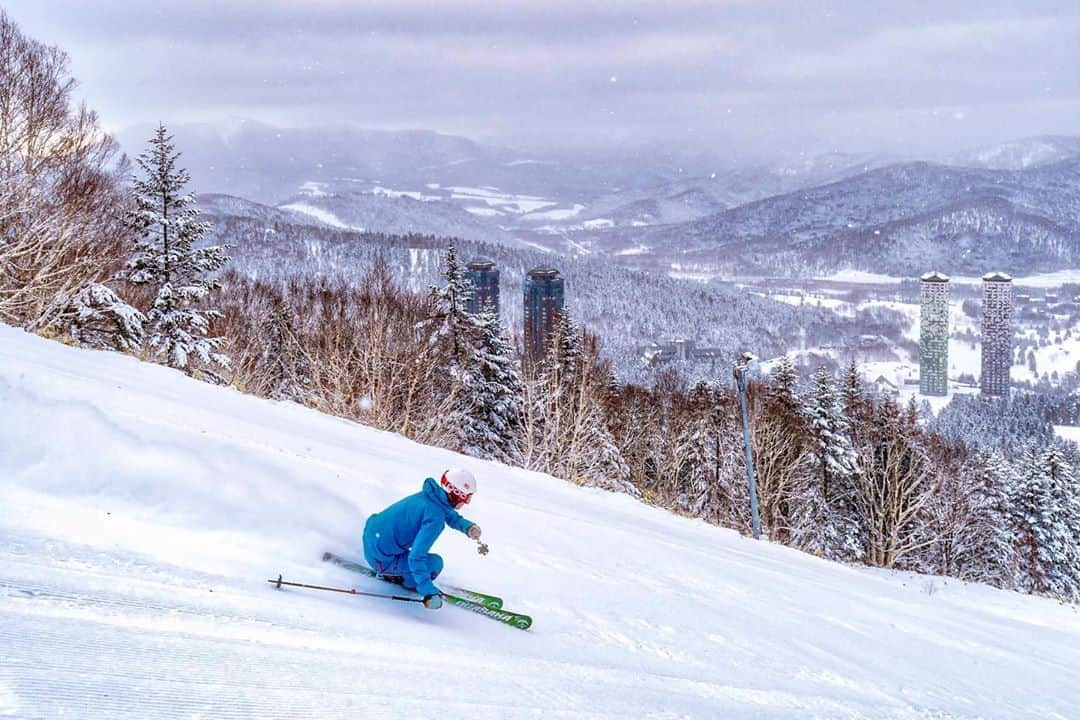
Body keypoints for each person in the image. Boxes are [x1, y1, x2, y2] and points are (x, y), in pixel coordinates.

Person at [362, 468, 482, 610]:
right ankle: (399, 578)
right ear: (456, 493)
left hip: (372, 540)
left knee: (422, 559)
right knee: (435, 564)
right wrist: (428, 591)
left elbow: (447, 512)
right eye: (467, 497)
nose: (467, 502)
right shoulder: (435, 519)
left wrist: (468, 527)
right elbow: (416, 556)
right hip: (381, 560)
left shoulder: (430, 496)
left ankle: (397, 569)